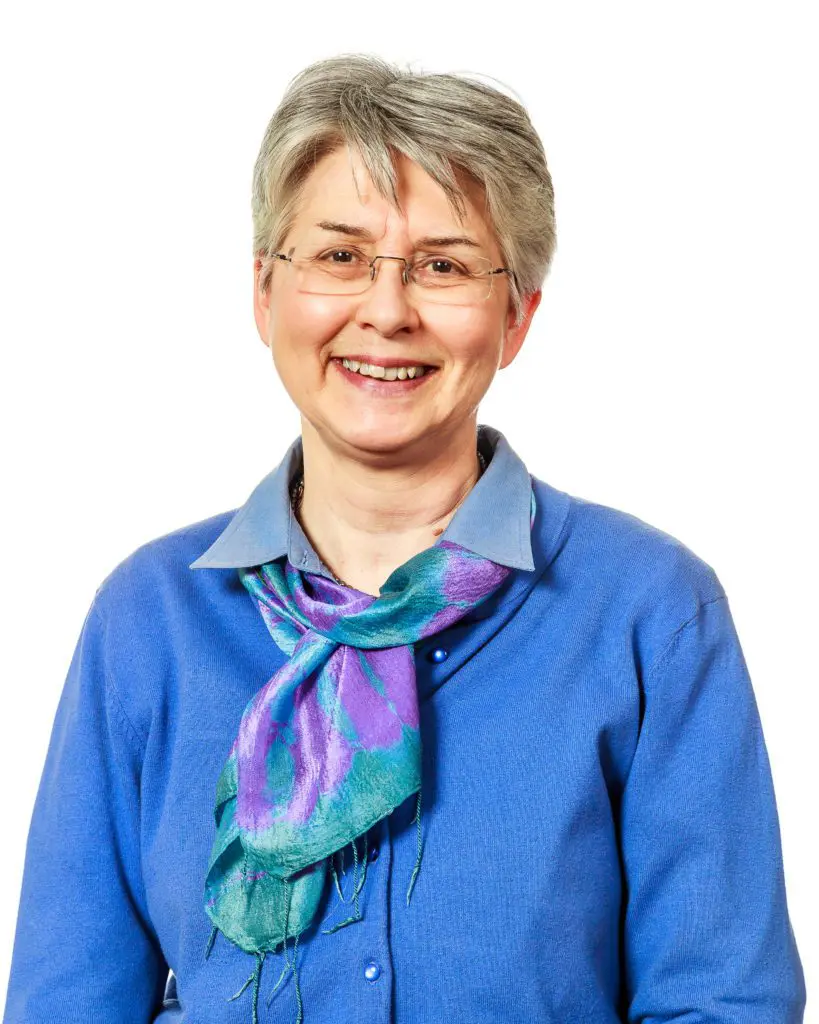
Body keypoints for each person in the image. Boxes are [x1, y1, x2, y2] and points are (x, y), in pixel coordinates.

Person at [2, 53, 806, 1024]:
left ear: (516, 317)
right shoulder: (149, 617)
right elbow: (66, 1003)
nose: (386, 312)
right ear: (265, 292)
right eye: (339, 257)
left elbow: (723, 1001)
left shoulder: (648, 611)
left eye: (444, 266)